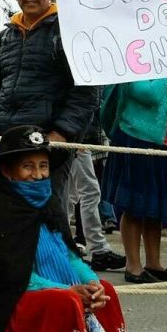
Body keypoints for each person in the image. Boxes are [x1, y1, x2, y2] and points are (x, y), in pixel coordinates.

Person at [0, 126, 128, 332]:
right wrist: (66, 289)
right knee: (66, 301)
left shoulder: (48, 203)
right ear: (8, 170)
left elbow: (68, 255)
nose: (38, 174)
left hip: (54, 287)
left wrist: (91, 282)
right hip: (16, 296)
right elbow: (11, 275)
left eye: (43, 165)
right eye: (28, 166)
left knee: (105, 289)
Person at [0, 0, 98, 208]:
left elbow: (87, 92)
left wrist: (62, 133)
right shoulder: (4, 37)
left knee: (47, 218)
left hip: (47, 146)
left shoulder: (71, 33)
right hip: (3, 144)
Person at [101, 77, 167, 283]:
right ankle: (133, 266)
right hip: (136, 141)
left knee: (155, 210)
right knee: (133, 206)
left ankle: (154, 263)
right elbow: (150, 95)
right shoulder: (132, 73)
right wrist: (165, 74)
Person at [65, 111, 125, 272]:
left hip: (78, 136)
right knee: (85, 192)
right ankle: (97, 249)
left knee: (72, 193)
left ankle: (67, 246)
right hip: (76, 137)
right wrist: (75, 135)